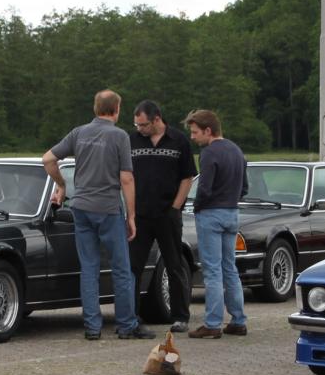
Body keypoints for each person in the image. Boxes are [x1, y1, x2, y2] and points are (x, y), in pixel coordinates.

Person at [43, 91, 152, 341]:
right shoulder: (119, 136)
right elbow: (126, 178)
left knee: (89, 268)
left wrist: (61, 185)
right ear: (116, 110)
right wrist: (132, 216)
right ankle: (126, 325)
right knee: (122, 269)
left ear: (95, 109)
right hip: (108, 209)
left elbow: (48, 159)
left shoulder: (79, 132)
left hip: (81, 208)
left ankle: (92, 327)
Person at [128, 100, 197, 333]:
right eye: (137, 124)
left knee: (174, 264)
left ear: (157, 119)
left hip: (168, 213)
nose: (140, 129)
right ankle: (132, 315)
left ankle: (180, 316)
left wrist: (175, 208)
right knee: (133, 266)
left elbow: (187, 177)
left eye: (144, 124)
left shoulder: (179, 141)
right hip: (140, 214)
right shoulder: (132, 141)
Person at [182, 109, 248, 339]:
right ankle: (238, 320)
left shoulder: (209, 153)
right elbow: (245, 188)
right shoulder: (236, 150)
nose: (193, 137)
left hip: (211, 214)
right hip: (232, 213)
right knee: (230, 268)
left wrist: (197, 207)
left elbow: (205, 187)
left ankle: (212, 323)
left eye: (195, 132)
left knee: (212, 271)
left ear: (208, 131)